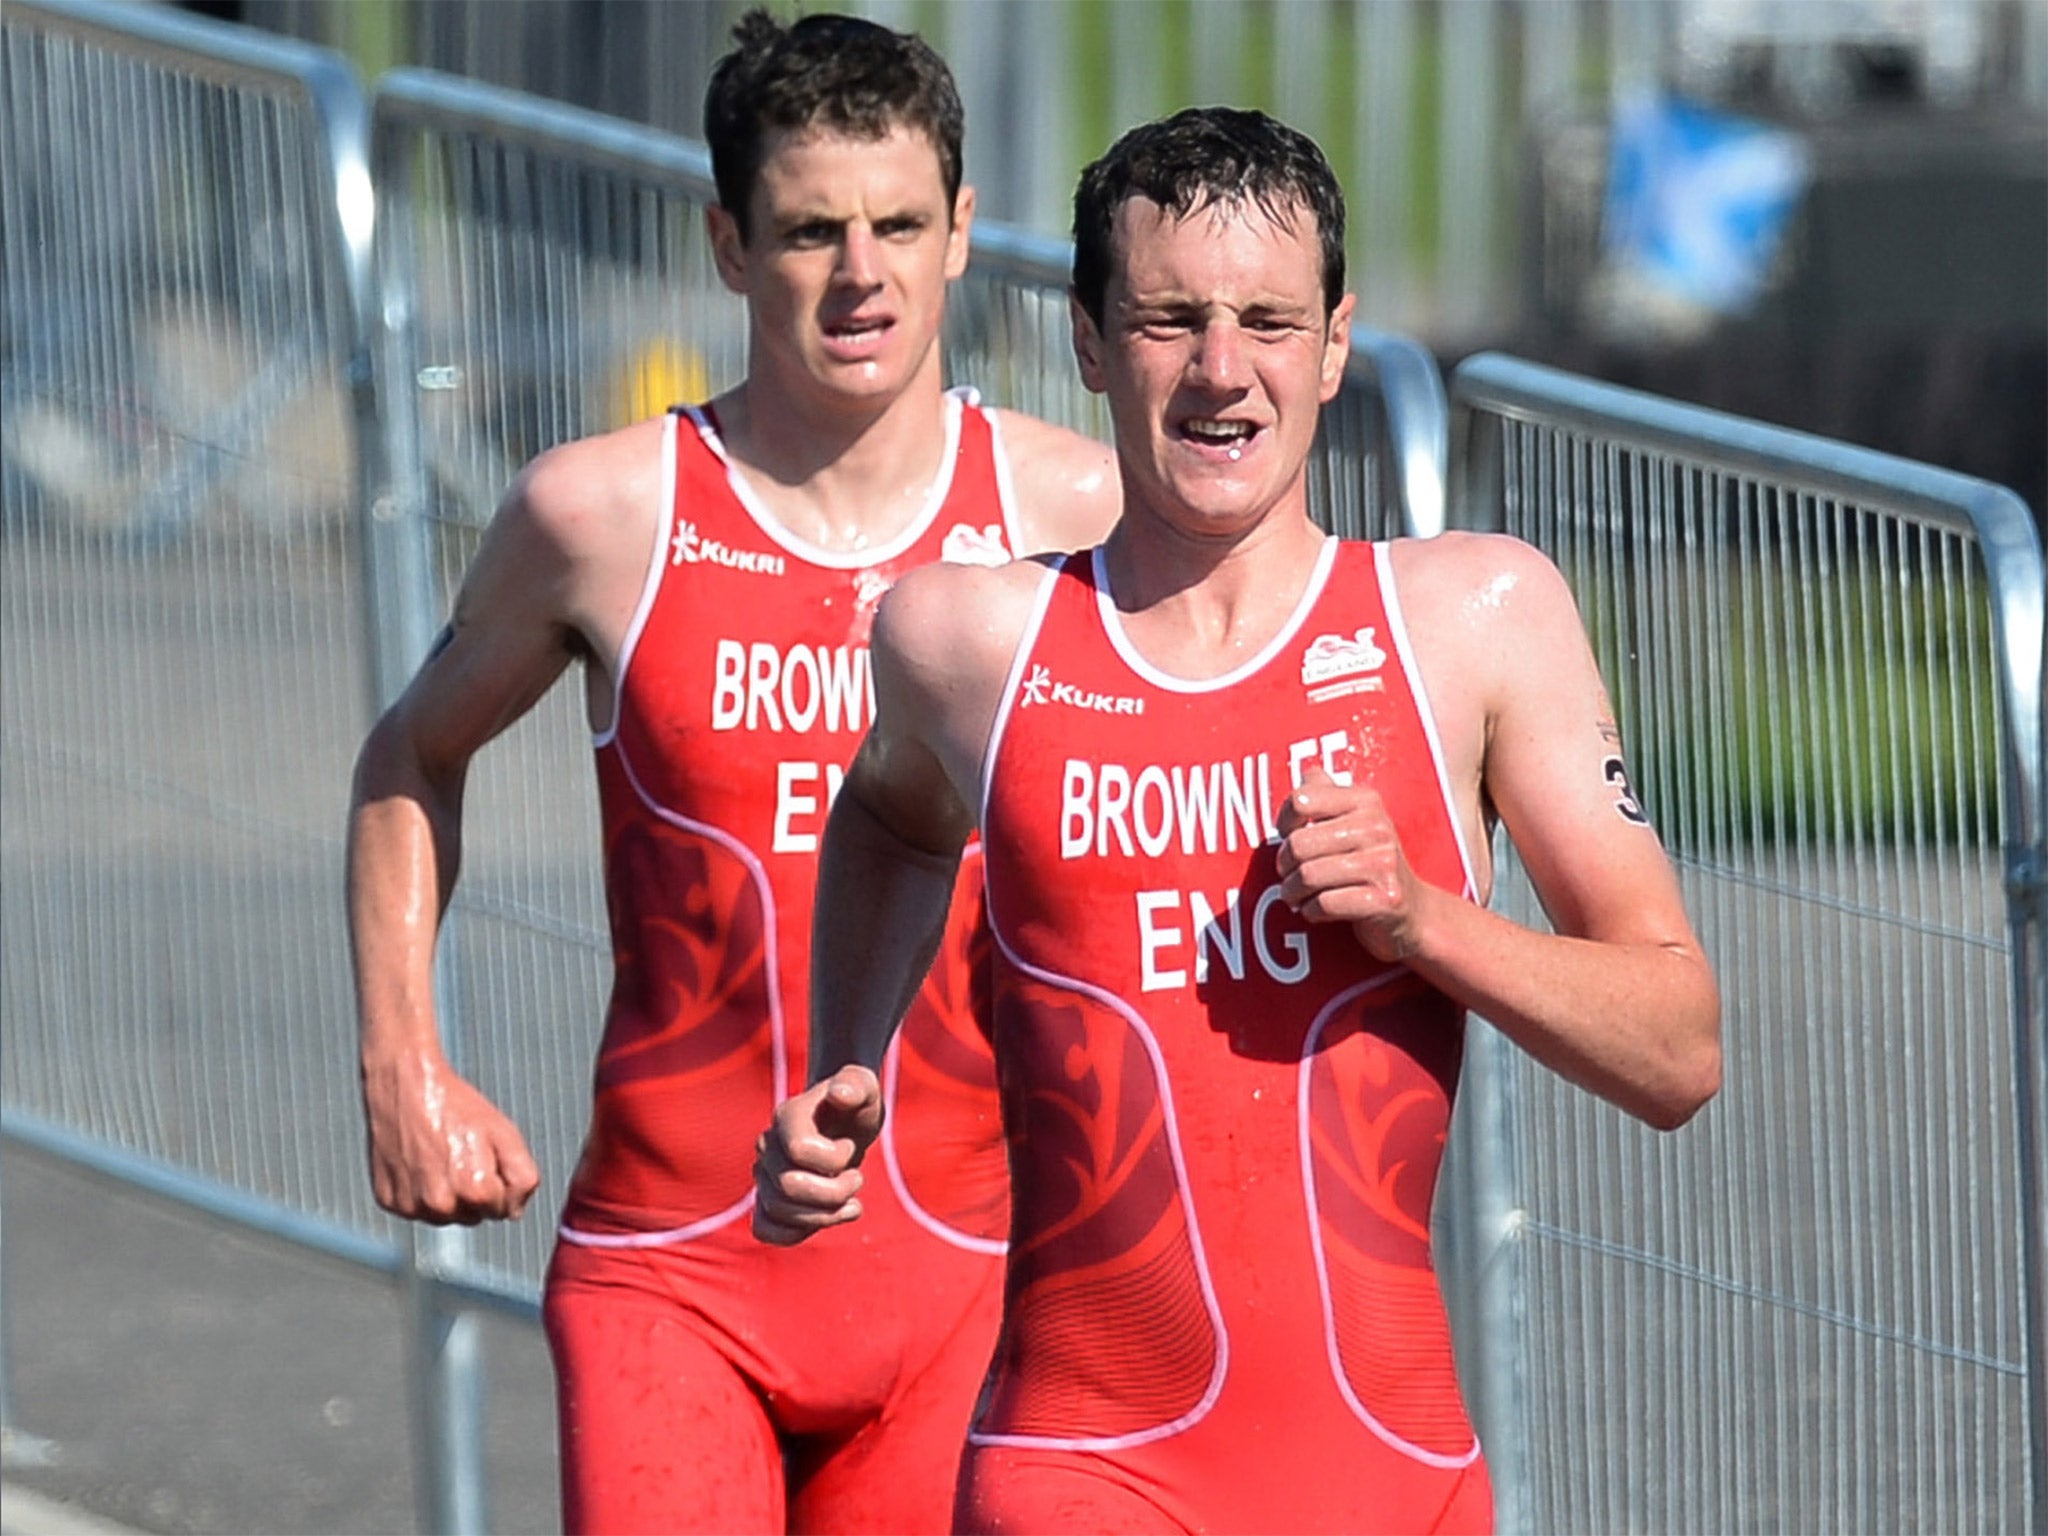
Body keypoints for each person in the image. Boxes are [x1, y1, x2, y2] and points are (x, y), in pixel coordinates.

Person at [753, 106, 1722, 1534]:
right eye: (1169, 319)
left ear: (1336, 343)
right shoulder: (966, 638)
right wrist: (843, 1057)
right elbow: (891, 821)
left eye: (1269, 319)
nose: (1223, 371)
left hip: (1397, 1477)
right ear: (1090, 341)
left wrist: (1424, 923)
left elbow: (1680, 1047)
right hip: (1083, 1471)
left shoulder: (1473, 620)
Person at [345, 11, 1119, 1533]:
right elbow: (408, 755)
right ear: (726, 241)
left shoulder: (1072, 512)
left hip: (964, 1270)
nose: (861, 273)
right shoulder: (600, 515)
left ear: (963, 231)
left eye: (900, 223)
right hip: (673, 1275)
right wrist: (402, 1065)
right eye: (811, 229)